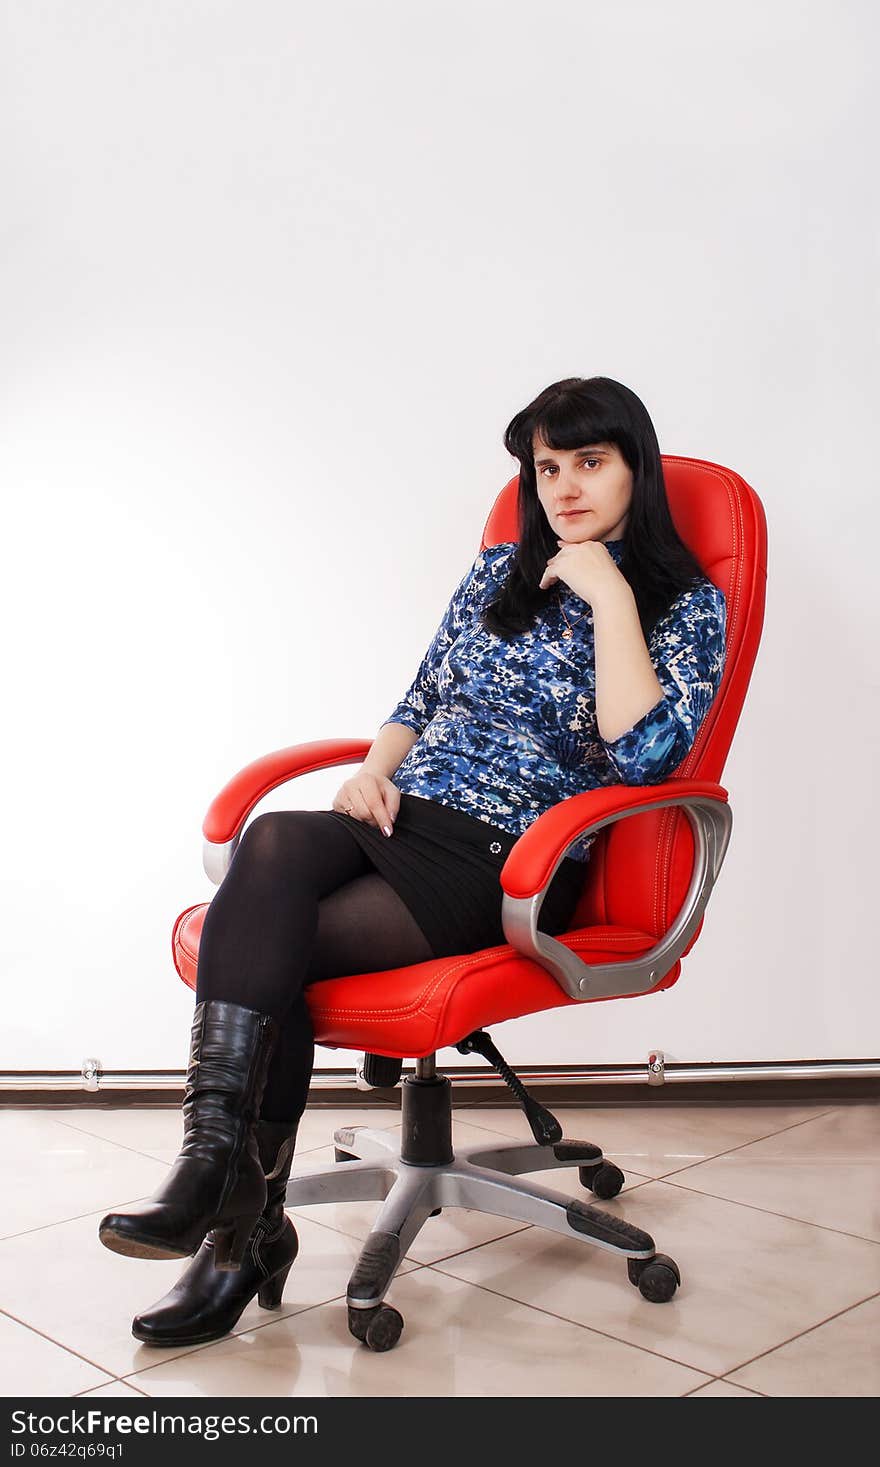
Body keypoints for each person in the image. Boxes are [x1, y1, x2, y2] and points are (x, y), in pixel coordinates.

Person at [97, 375, 727, 1347]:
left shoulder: (682, 604)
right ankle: (219, 1180)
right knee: (272, 840)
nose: (562, 485)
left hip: (507, 855)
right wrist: (371, 776)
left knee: (277, 951)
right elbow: (418, 700)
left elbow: (644, 757)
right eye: (546, 467)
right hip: (402, 818)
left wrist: (607, 598)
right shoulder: (496, 576)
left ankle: (236, 1231)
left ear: (635, 469)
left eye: (588, 463)